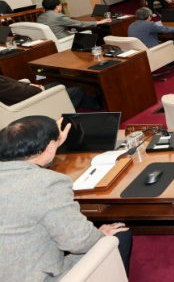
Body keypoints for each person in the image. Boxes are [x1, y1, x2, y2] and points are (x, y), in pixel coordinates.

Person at [0, 116, 133, 280]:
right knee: (118, 236)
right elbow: (80, 242)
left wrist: (52, 145)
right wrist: (99, 235)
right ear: (50, 147)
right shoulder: (45, 183)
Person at [0, 74, 101, 111]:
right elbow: (23, 94)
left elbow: (14, 83)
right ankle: (63, 116)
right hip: (29, 101)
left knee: (58, 83)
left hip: (26, 92)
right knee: (78, 90)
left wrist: (30, 84)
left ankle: (93, 104)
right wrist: (39, 89)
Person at [37, 0, 109, 40]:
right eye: (60, 4)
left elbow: (53, 27)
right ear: (57, 7)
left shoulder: (40, 17)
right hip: (62, 39)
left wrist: (67, 31)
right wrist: (98, 22)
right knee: (88, 32)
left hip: (51, 39)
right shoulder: (59, 16)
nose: (61, 6)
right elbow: (80, 24)